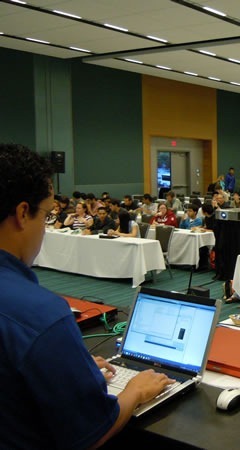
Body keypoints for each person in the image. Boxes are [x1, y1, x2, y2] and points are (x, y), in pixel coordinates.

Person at [0, 143, 173, 449]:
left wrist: (68, 368)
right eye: (45, 215)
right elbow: (91, 433)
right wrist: (134, 391)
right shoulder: (42, 316)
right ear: (23, 213)